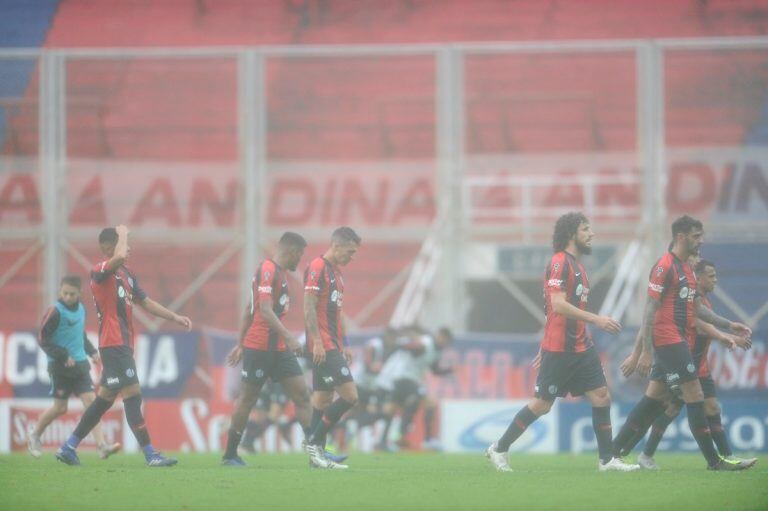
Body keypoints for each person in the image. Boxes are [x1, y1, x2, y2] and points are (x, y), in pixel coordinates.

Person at [486, 212, 637, 472]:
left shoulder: (579, 266)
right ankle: (499, 448)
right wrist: (596, 320)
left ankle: (607, 460)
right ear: (571, 235)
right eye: (586, 229)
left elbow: (553, 310)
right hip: (560, 349)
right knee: (542, 405)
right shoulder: (559, 263)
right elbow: (557, 305)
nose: (592, 234)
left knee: (601, 396)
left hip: (582, 346)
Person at [611, 216, 754, 471]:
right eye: (696, 236)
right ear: (681, 236)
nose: (701, 241)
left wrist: (729, 325)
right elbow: (649, 310)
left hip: (678, 340)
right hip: (668, 338)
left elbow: (698, 309)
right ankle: (715, 461)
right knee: (695, 394)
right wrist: (643, 352)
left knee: (656, 399)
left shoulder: (686, 269)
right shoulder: (664, 265)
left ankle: (614, 452)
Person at [55, 225, 192, 467]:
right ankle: (151, 454)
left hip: (122, 344)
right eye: (123, 244)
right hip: (113, 342)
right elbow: (117, 256)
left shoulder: (127, 275)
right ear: (108, 247)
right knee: (132, 393)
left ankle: (69, 447)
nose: (128, 248)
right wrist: (124, 232)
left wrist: (174, 317)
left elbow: (146, 302)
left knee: (104, 400)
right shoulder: (100, 270)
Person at [221, 232, 312, 466]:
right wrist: (290, 337)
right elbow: (263, 310)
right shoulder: (268, 270)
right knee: (248, 399)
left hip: (279, 349)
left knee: (302, 395)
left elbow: (247, 311)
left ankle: (317, 453)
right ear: (291, 251)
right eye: (299, 256)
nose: (298, 261)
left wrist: (239, 343)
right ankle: (230, 454)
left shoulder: (279, 274)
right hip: (260, 347)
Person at [28, 275, 121, 459]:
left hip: (80, 366)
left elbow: (80, 335)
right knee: (60, 408)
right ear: (60, 292)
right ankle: (35, 435)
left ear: (80, 293)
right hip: (60, 367)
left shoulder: (82, 310)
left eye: (72, 294)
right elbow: (42, 339)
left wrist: (92, 352)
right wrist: (63, 356)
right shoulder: (55, 311)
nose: (68, 297)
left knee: (92, 404)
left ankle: (102, 446)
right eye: (65, 293)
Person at [303, 226, 362, 469]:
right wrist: (317, 341)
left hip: (333, 343)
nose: (352, 257)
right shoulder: (317, 267)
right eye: (349, 251)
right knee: (350, 396)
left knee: (322, 398)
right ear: (336, 246)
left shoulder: (336, 273)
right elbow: (308, 308)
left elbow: (337, 314)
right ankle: (314, 443)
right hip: (323, 345)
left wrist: (345, 342)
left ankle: (318, 456)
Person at [374, 327, 454, 451]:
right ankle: (428, 441)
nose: (444, 342)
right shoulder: (425, 343)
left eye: (446, 341)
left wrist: (450, 370)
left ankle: (383, 442)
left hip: (408, 380)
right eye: (443, 338)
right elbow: (407, 347)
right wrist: (406, 343)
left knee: (392, 409)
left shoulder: (437, 351)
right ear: (439, 336)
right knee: (429, 403)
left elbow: (434, 370)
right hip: (405, 378)